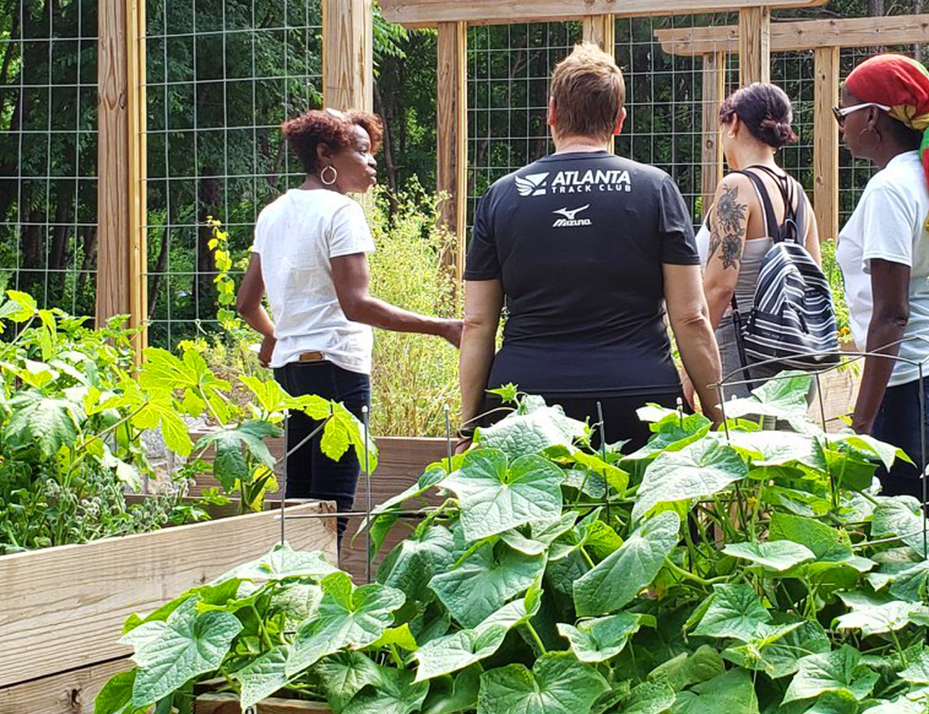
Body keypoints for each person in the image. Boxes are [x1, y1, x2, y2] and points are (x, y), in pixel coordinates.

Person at [458, 43, 724, 452]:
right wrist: (716, 417)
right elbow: (690, 317)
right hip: (638, 397)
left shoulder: (502, 195)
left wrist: (469, 426)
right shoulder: (655, 189)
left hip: (528, 403)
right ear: (619, 120)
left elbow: (477, 324)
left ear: (551, 112)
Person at [237, 108, 461, 532]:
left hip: (290, 374)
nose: (371, 160)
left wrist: (273, 335)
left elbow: (247, 303)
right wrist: (444, 327)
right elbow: (355, 305)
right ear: (325, 154)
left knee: (299, 502)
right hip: (338, 369)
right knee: (332, 510)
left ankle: (288, 591)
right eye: (360, 150)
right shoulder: (341, 213)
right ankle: (323, 596)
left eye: (371, 150)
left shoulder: (273, 213)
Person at [834, 54, 929, 510]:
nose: (840, 126)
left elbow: (891, 315)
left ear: (871, 118)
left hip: (912, 394)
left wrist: (861, 425)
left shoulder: (889, 189)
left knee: (905, 550)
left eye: (842, 114)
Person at [695, 83, 822, 400]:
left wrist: (694, 363)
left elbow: (720, 286)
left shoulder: (736, 186)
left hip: (741, 355)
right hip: (794, 357)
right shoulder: (797, 193)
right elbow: (815, 277)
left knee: (738, 448)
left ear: (733, 122)